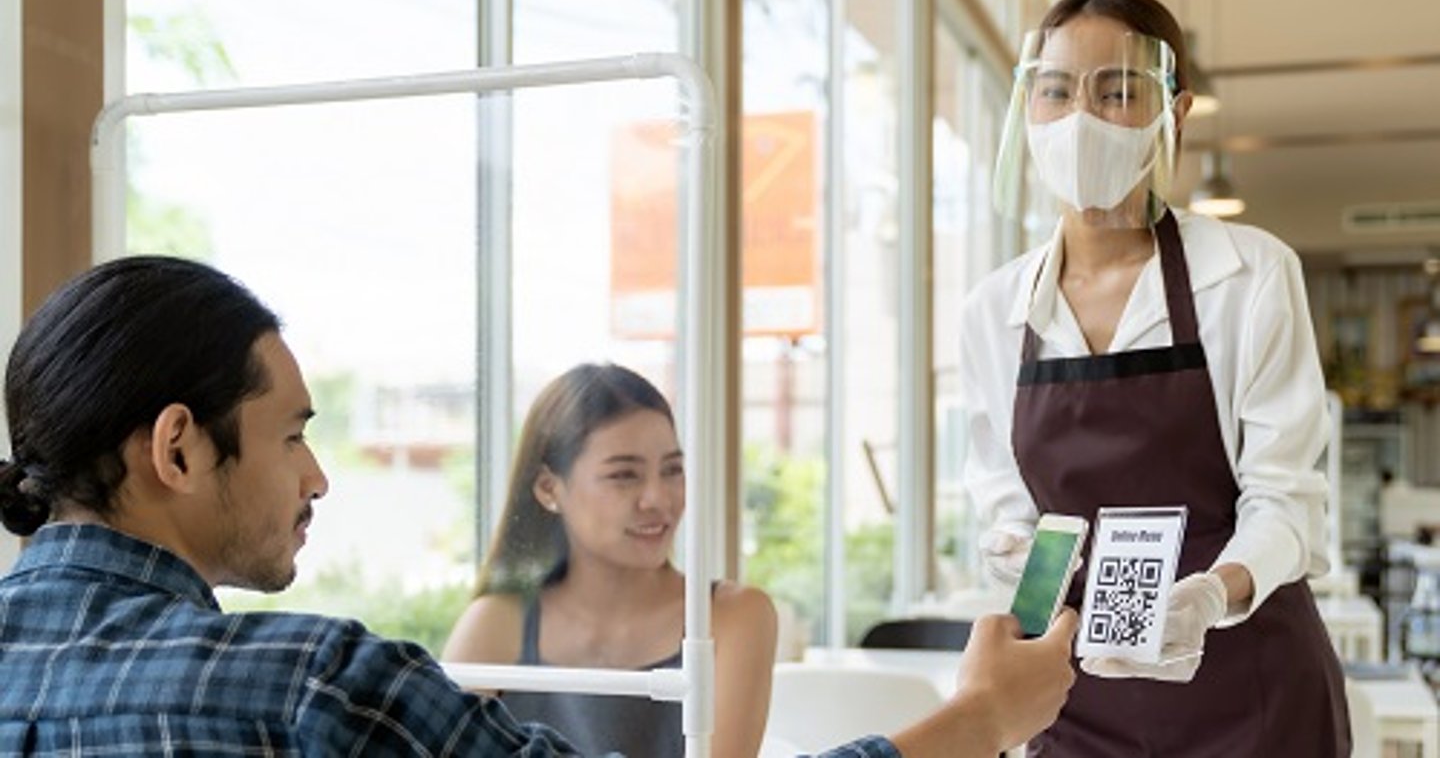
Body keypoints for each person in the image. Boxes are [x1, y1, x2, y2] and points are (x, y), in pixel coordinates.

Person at [0, 255, 1076, 757]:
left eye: (673, 465)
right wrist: (979, 717)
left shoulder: (730, 614)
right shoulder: (313, 687)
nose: (320, 476)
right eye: (292, 434)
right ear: (179, 447)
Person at [959, 0, 1350, 755]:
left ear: (1173, 113)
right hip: (1073, 694)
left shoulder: (1248, 274)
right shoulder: (994, 311)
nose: (1081, 118)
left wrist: (1209, 595)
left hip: (1252, 690)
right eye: (1057, 91)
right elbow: (1019, 513)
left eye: (1118, 91)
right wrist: (1019, 556)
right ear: (1027, 112)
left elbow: (1286, 502)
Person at [441, 363, 772, 757]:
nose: (658, 499)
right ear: (550, 488)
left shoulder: (734, 617)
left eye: (672, 470)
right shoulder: (496, 623)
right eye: (624, 475)